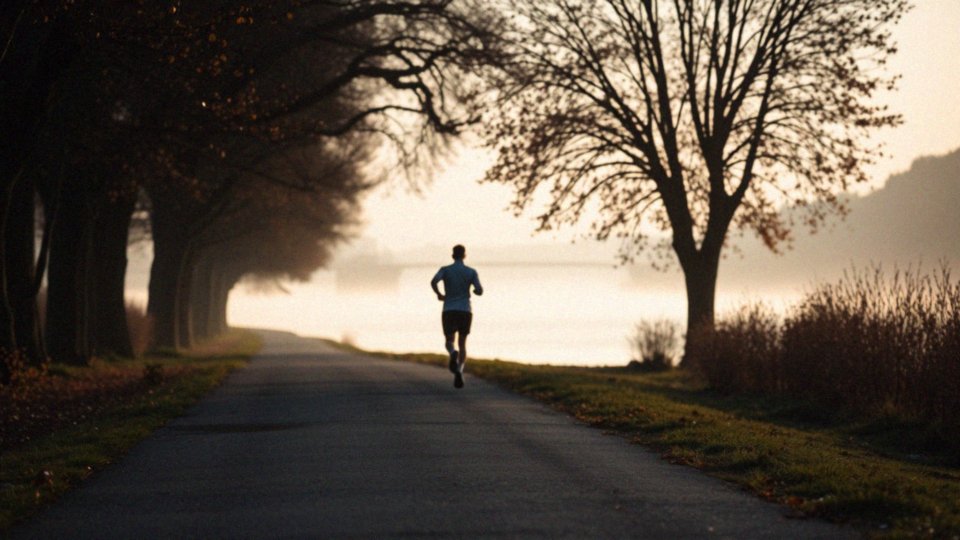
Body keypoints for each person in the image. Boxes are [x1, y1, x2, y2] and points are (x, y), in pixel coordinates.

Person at [430, 244, 483, 388]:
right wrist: (475, 291)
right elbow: (479, 290)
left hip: (449, 309)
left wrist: (439, 294)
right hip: (465, 310)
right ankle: (459, 370)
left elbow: (433, 281)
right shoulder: (471, 272)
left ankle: (452, 353)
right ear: (464, 255)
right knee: (463, 343)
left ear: (452, 255)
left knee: (449, 341)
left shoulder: (445, 270)